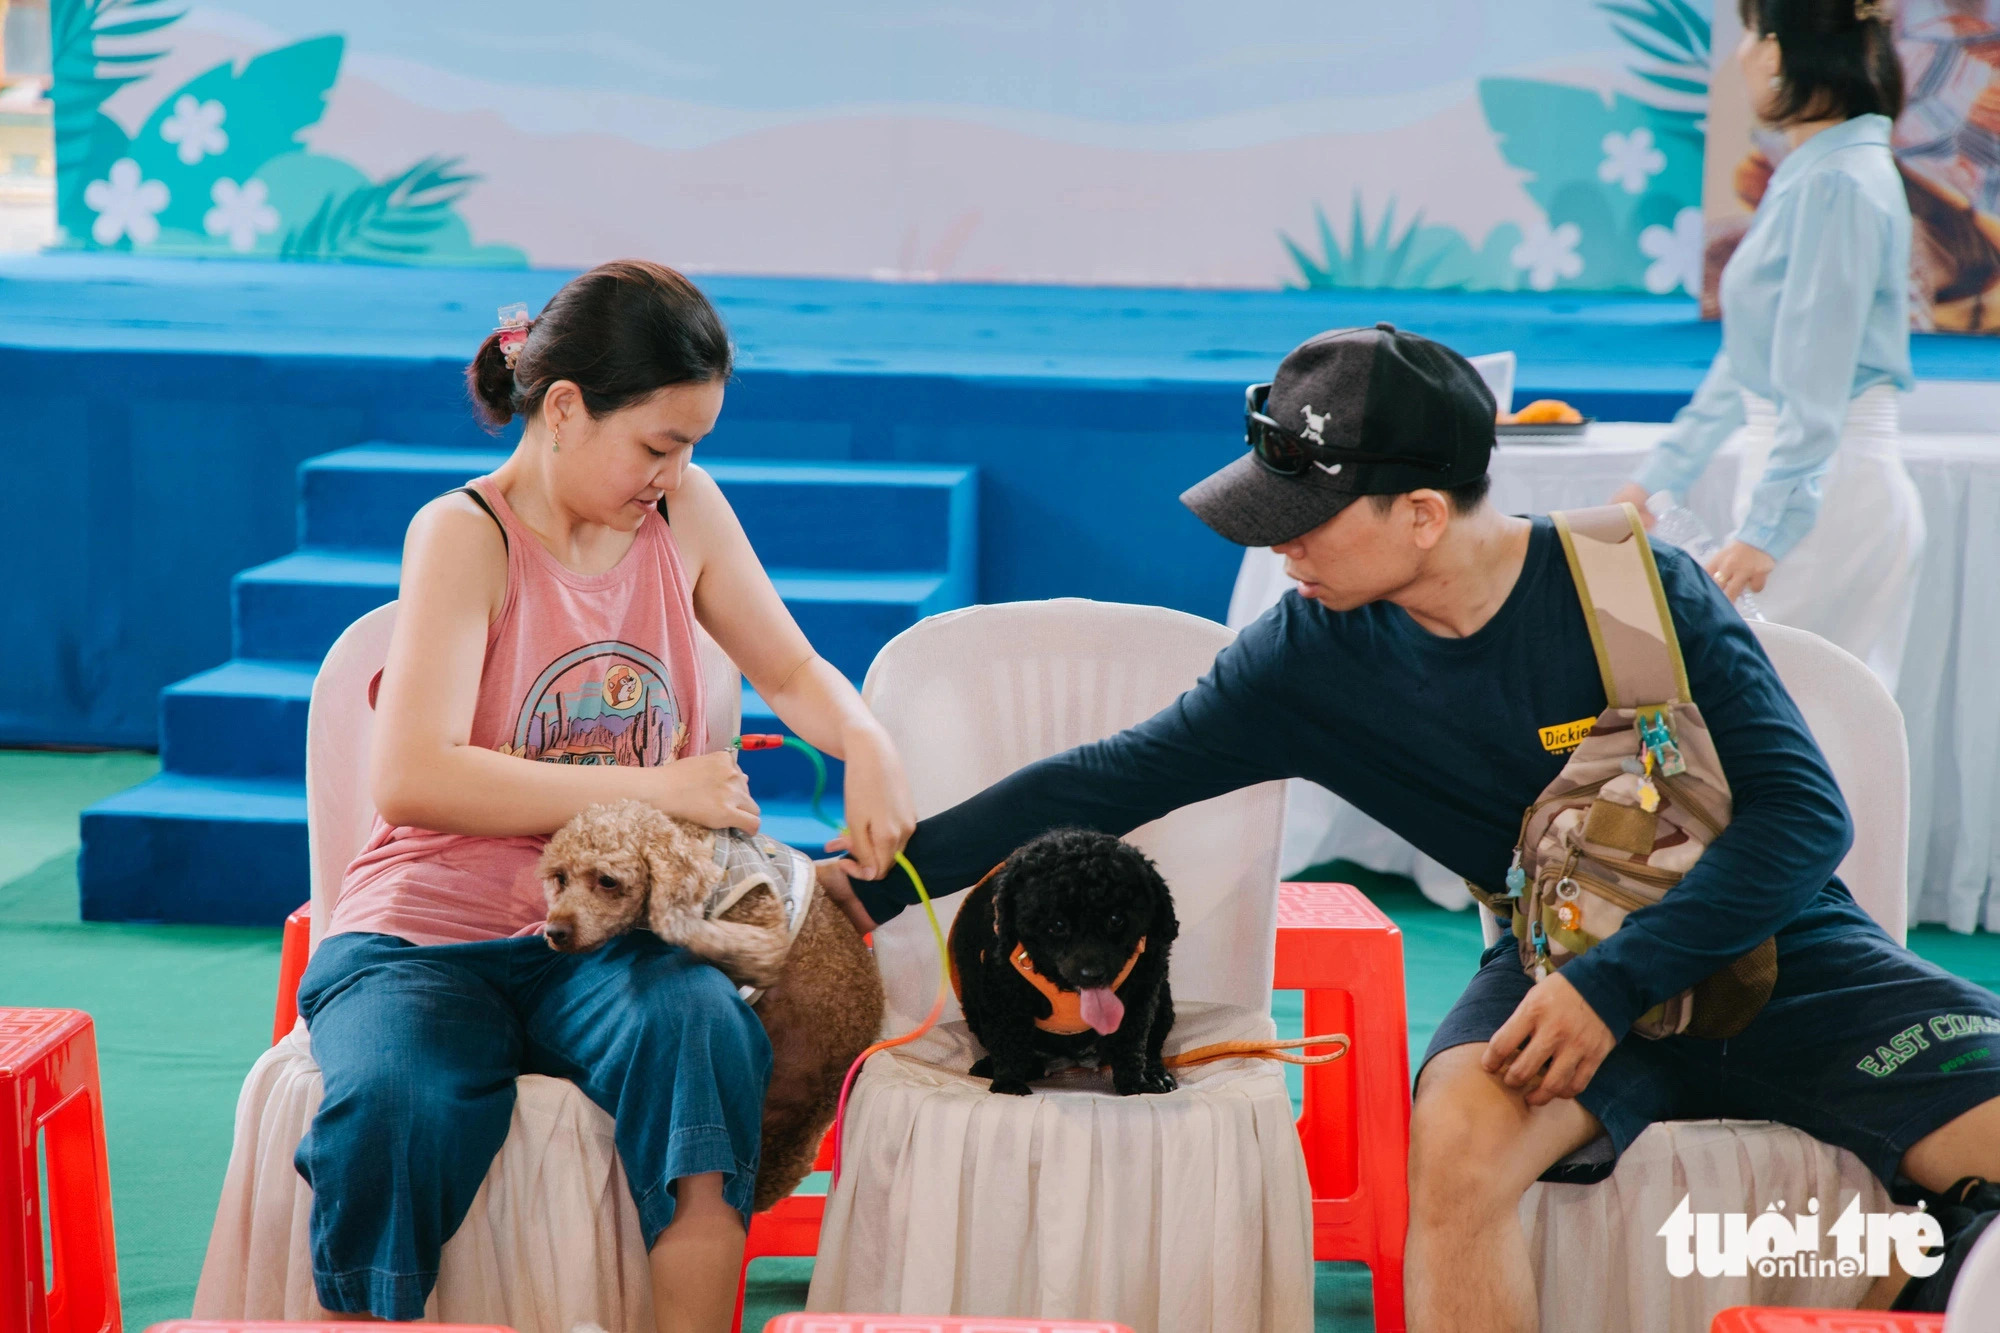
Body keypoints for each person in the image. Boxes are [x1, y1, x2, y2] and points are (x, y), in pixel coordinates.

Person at [817, 324, 2000, 1333]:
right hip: (1552, 959)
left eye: (1304, 517)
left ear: (1422, 512)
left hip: (1780, 951)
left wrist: (1616, 985)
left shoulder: (1627, 592)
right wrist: (855, 891)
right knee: (1457, 1147)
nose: (1276, 546)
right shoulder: (1306, 660)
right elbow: (1105, 778)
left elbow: (1802, 820)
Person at [292, 260, 915, 1333]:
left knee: (709, 1039)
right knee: (392, 1106)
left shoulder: (685, 512)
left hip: (611, 935)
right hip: (424, 937)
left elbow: (791, 670)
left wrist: (863, 737)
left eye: (690, 450)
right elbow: (413, 775)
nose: (670, 473)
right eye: (658, 445)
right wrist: (660, 783)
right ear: (567, 409)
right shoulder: (464, 532)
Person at [1613, 0, 1923, 692]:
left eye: (1753, 32)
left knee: (1793, 727)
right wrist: (1660, 475)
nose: (1742, 54)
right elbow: (1753, 359)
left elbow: (1815, 383)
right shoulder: (1821, 174)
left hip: (1824, 493)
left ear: (1782, 52)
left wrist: (1768, 529)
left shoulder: (1836, 183)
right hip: (1815, 484)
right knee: (1798, 729)